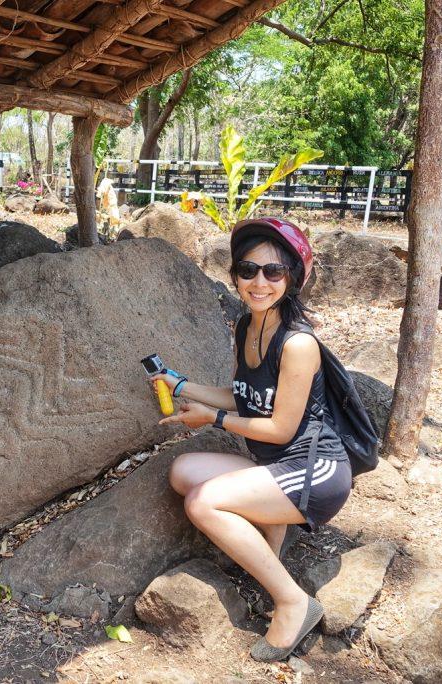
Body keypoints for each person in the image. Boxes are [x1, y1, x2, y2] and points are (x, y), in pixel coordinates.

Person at [149, 217, 351, 662]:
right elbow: (243, 397)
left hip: (316, 472)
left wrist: (213, 420)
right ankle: (270, 552)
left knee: (201, 503)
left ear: (293, 278)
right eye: (248, 270)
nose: (259, 282)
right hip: (276, 465)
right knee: (184, 473)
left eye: (273, 272)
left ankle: (293, 602)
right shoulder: (246, 326)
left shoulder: (298, 344)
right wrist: (180, 384)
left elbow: (278, 427)